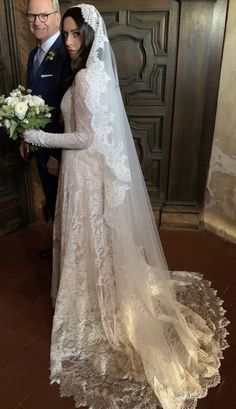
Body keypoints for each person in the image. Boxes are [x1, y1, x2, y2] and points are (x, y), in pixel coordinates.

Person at [23, 4, 229, 408]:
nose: (68, 41)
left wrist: (39, 137)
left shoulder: (85, 78)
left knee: (89, 237)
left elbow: (84, 138)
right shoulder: (92, 73)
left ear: (91, 36)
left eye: (75, 34)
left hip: (85, 173)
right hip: (86, 172)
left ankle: (90, 300)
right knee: (95, 239)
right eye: (65, 33)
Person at [20, 0, 71, 258]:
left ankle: (71, 255)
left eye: (43, 14)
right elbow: (32, 101)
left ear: (57, 17)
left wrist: (57, 154)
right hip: (38, 145)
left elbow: (71, 113)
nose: (37, 21)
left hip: (59, 151)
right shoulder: (33, 55)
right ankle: (59, 247)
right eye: (31, 15)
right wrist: (26, 138)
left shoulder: (67, 52)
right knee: (52, 201)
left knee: (66, 205)